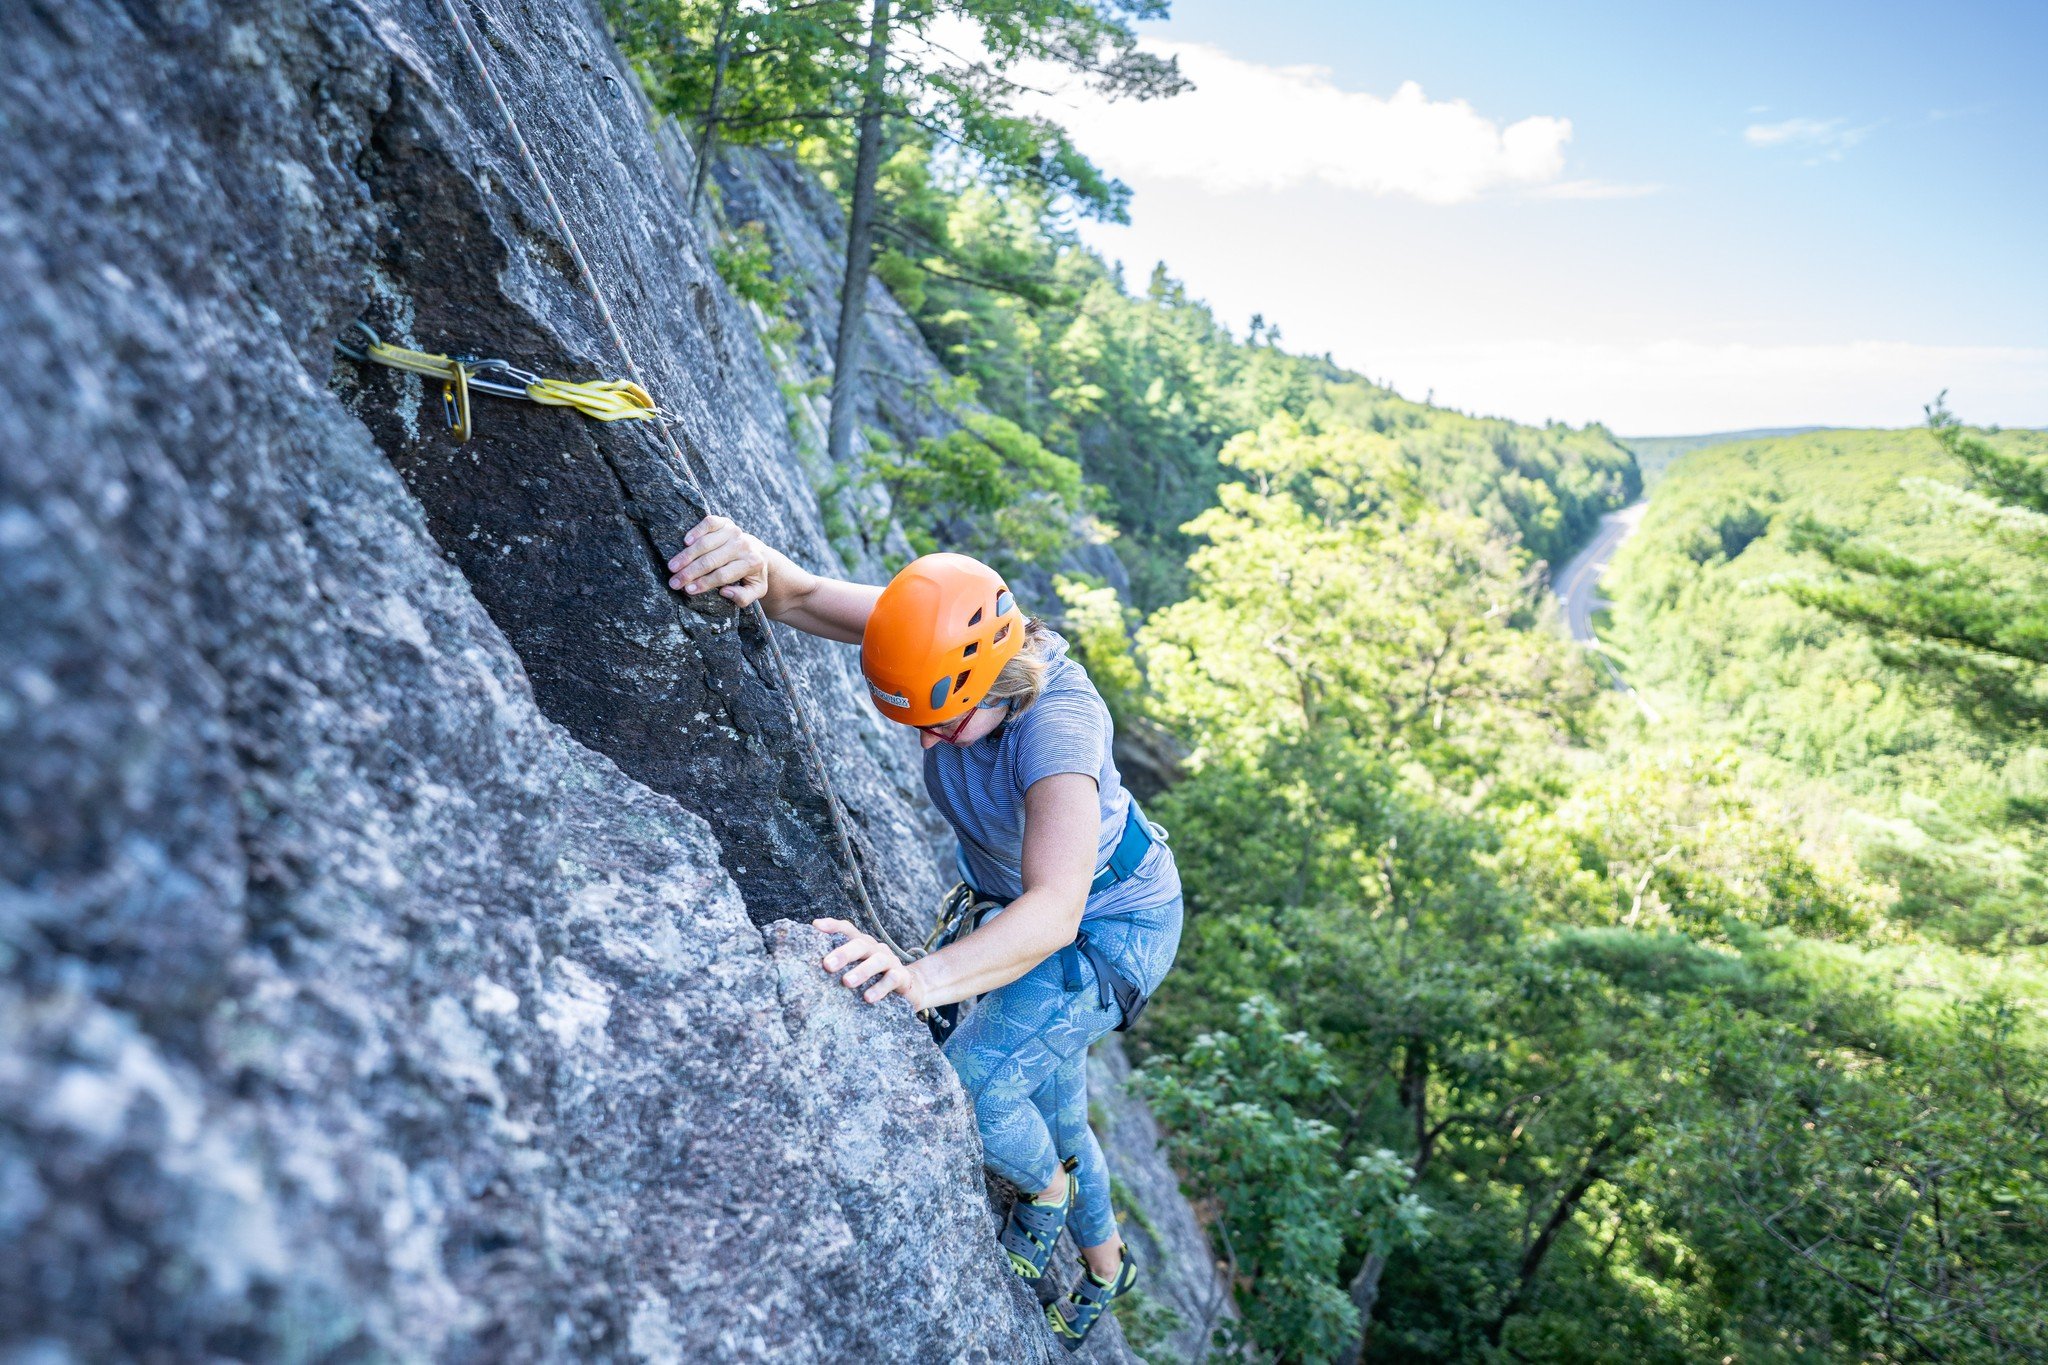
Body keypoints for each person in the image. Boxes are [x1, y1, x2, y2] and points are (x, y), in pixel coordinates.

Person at [669, 516, 1183, 1351]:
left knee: (979, 1088)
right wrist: (746, 558)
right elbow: (792, 591)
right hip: (1035, 912)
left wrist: (920, 979)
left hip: (1111, 925)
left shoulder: (1059, 728)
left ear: (996, 678)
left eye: (945, 722)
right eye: (917, 723)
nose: (928, 738)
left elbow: (1055, 910)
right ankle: (1106, 1263)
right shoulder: (935, 638)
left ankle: (1047, 1193)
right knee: (1050, 1097)